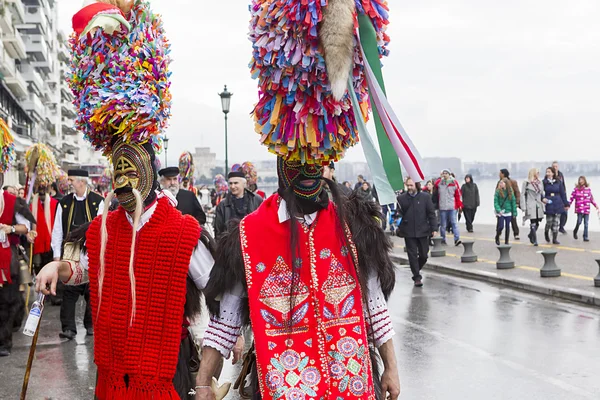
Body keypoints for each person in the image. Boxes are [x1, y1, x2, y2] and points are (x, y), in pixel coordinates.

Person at [194, 1, 402, 397]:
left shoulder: (354, 223)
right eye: (300, 160)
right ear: (281, 161)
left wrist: (391, 368)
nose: (311, 170)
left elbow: (375, 304)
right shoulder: (250, 235)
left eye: (319, 160)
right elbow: (226, 320)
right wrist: (203, 383)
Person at [37, 1, 219, 397]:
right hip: (111, 380)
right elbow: (85, 271)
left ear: (150, 169)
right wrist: (58, 266)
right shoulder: (103, 228)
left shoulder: (182, 231)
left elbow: (220, 291)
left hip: (163, 376)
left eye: (130, 168)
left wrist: (209, 367)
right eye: (116, 169)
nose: (122, 179)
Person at [51, 169, 104, 339]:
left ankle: (91, 325)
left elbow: (103, 227)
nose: (69, 183)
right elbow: (57, 231)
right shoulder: (64, 203)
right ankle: (68, 328)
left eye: (71, 179)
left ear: (81, 181)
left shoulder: (99, 201)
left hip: (91, 250)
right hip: (70, 250)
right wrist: (56, 257)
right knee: (69, 290)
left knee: (92, 289)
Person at [0, 176, 35, 357]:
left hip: (7, 258)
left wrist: (10, 228)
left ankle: (4, 342)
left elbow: (26, 226)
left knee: (7, 301)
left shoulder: (13, 201)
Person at [397, 177, 437, 287]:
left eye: (411, 185)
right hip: (408, 231)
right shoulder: (401, 199)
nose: (409, 188)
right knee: (412, 255)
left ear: (417, 185)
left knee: (424, 255)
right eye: (408, 185)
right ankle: (417, 277)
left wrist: (434, 228)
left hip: (423, 230)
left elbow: (431, 213)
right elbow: (399, 212)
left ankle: (416, 269)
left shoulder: (425, 197)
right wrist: (397, 219)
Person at [213, 171, 262, 238]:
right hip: (230, 244)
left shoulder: (257, 200)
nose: (233, 186)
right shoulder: (222, 205)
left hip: (253, 242)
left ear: (243, 184)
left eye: (236, 183)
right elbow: (218, 231)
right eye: (230, 183)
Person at [434, 169, 462, 246]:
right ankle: (443, 239)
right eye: (444, 173)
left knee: (454, 223)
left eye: (446, 173)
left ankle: (457, 239)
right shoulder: (440, 182)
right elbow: (434, 185)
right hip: (443, 207)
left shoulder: (454, 183)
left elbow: (457, 195)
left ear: (449, 174)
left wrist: (459, 206)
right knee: (443, 224)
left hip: (452, 206)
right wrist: (440, 177)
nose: (445, 174)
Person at [542, 167, 569, 245]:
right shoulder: (544, 182)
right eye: (547, 172)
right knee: (549, 222)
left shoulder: (558, 182)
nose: (547, 173)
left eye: (549, 172)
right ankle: (546, 232)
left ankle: (554, 239)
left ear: (553, 173)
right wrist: (542, 198)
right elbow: (540, 193)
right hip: (549, 202)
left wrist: (566, 203)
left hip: (558, 202)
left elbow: (562, 193)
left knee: (556, 222)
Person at [521, 168, 545, 246]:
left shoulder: (540, 182)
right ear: (533, 173)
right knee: (533, 222)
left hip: (538, 204)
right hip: (530, 204)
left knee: (538, 222)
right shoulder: (526, 183)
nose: (538, 174)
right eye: (537, 173)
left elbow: (542, 193)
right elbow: (522, 195)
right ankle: (535, 240)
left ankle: (531, 234)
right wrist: (523, 206)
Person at [569, 176, 598, 242]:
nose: (581, 181)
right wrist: (568, 205)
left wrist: (596, 205)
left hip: (586, 208)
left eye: (582, 180)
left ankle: (585, 236)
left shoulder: (588, 189)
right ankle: (575, 231)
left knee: (586, 223)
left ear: (585, 181)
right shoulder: (576, 189)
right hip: (579, 208)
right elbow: (571, 198)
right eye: (580, 180)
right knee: (579, 222)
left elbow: (591, 199)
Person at [494, 179, 517, 245]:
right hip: (501, 212)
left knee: (507, 226)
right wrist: (498, 210)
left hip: (508, 212)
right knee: (501, 226)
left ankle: (507, 241)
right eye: (500, 183)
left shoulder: (510, 192)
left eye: (502, 183)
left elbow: (513, 202)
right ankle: (497, 236)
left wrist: (514, 213)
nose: (501, 184)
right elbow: (496, 202)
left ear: (506, 184)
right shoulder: (498, 192)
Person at [499, 169, 521, 240]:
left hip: (511, 203)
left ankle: (516, 233)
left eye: (500, 173)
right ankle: (498, 233)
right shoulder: (499, 182)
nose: (499, 175)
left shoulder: (513, 182)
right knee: (500, 219)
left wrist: (517, 202)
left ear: (503, 174)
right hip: (502, 205)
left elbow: (517, 192)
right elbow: (497, 193)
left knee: (513, 219)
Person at [552, 161, 568, 234]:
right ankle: (553, 227)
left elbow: (563, 185)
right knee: (554, 213)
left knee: (564, 212)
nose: (555, 168)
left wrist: (565, 197)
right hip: (554, 196)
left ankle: (561, 227)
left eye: (556, 166)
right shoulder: (550, 175)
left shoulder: (561, 174)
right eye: (554, 166)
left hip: (562, 196)